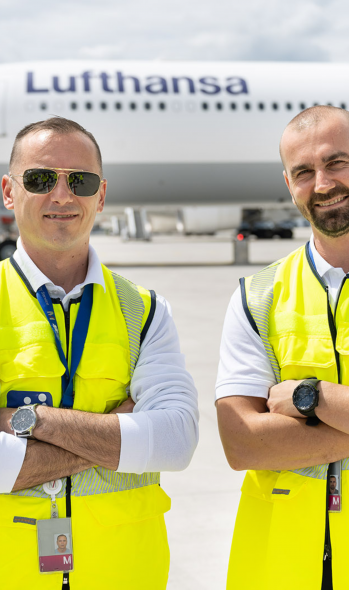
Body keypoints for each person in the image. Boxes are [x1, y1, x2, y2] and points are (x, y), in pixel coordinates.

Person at [0, 117, 199, 589]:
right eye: (41, 178)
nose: (63, 196)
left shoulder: (145, 311)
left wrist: (31, 423)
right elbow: (151, 439)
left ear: (102, 196)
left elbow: (175, 442)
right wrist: (120, 428)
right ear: (9, 191)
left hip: (125, 571)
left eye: (81, 181)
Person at [216, 105, 349, 590]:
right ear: (289, 183)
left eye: (337, 163)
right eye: (304, 172)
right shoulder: (256, 296)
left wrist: (311, 398)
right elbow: (242, 442)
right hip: (279, 565)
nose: (322, 184)